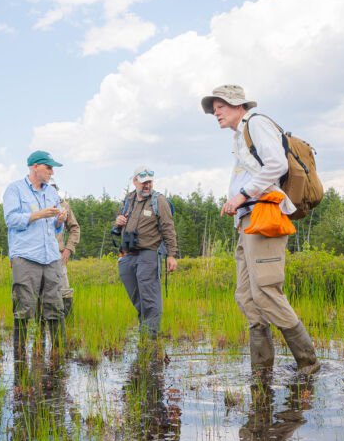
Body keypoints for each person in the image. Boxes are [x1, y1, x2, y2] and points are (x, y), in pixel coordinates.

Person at [201, 85, 319, 374]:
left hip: (265, 216)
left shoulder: (256, 123)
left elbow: (277, 164)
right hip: (248, 221)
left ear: (239, 105)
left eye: (221, 106)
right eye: (213, 108)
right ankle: (262, 369)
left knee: (266, 291)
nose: (215, 112)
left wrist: (241, 195)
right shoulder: (240, 134)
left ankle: (308, 362)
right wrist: (238, 210)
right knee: (247, 295)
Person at [3, 151, 68, 359]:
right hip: (25, 257)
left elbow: (55, 229)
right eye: (48, 168)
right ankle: (20, 359)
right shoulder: (15, 189)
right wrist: (40, 214)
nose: (51, 172)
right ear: (35, 167)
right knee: (23, 308)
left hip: (51, 257)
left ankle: (58, 356)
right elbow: (11, 220)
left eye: (52, 169)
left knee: (56, 307)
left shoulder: (51, 193)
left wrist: (60, 220)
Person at [114, 166, 178, 339]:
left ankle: (150, 339)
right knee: (136, 297)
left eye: (149, 182)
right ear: (135, 181)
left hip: (149, 254)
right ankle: (145, 332)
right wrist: (118, 222)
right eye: (143, 182)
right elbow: (118, 224)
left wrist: (171, 255)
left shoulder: (159, 201)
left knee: (150, 298)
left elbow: (168, 229)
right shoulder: (128, 200)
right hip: (127, 255)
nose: (147, 185)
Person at [49, 179, 80, 317]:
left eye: (53, 187)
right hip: (36, 254)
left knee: (64, 290)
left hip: (58, 254)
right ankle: (40, 329)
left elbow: (75, 228)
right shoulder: (34, 204)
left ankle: (68, 327)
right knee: (38, 290)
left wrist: (68, 249)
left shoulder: (63, 205)